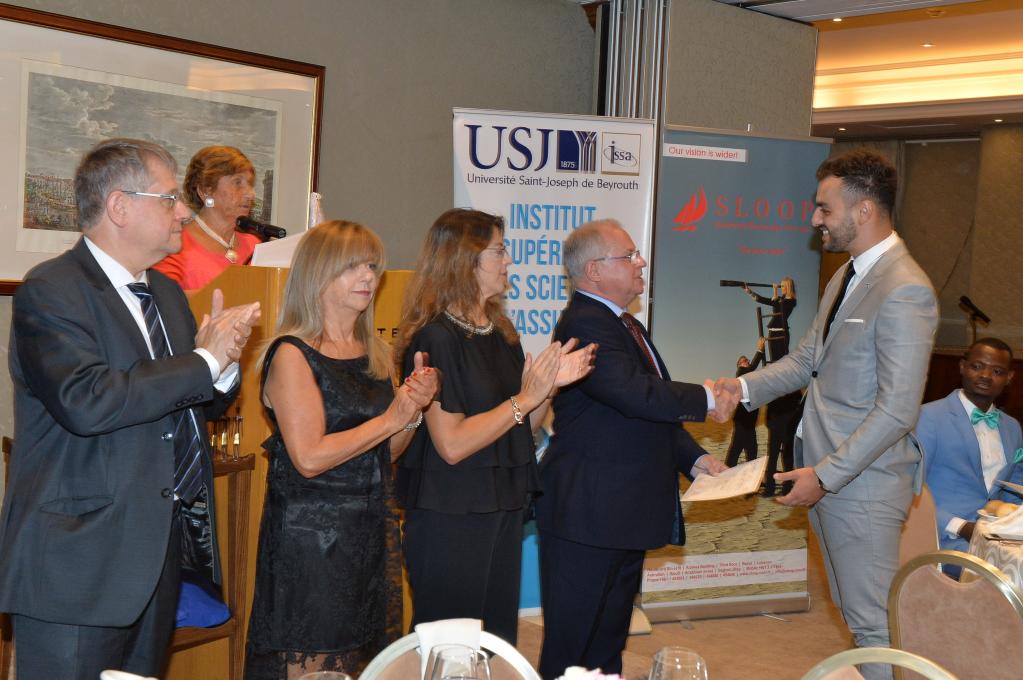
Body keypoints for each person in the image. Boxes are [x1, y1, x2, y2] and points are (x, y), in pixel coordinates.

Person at [0, 138, 261, 680]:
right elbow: (88, 401)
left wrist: (222, 365)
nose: (183, 211)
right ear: (119, 207)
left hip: (154, 563)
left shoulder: (165, 294)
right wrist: (202, 361)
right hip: (78, 564)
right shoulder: (51, 290)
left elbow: (188, 404)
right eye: (169, 199)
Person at [714, 149, 938, 680]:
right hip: (828, 473)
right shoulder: (846, 277)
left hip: (861, 484)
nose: (815, 219)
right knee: (857, 618)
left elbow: (897, 411)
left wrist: (826, 475)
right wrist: (739, 387)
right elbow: (808, 361)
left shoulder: (906, 288)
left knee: (875, 627)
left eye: (824, 208)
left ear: (864, 210)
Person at [244, 220, 439, 678]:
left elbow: (384, 455)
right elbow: (309, 458)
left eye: (372, 266)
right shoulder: (292, 353)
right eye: (352, 266)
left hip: (366, 536)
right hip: (311, 544)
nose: (368, 277)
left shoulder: (373, 351)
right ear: (318, 274)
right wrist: (391, 417)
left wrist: (412, 410)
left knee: (362, 666)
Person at [535, 219, 728, 680]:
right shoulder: (586, 322)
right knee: (571, 648)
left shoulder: (622, 324)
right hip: (587, 515)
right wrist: (708, 397)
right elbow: (633, 393)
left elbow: (645, 414)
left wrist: (695, 459)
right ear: (594, 271)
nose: (641, 262)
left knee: (607, 643)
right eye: (629, 255)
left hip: (618, 513)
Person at [393, 208, 595, 645]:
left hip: (501, 507)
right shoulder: (436, 338)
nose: (509, 261)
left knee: (496, 641)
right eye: (499, 251)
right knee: (450, 645)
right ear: (463, 260)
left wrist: (548, 389)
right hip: (451, 513)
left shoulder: (501, 332)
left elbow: (524, 428)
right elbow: (451, 444)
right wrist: (524, 398)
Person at [919, 338, 1023, 561]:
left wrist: (1013, 523)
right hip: (942, 536)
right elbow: (910, 488)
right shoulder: (928, 417)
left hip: (996, 536)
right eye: (977, 366)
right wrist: (960, 526)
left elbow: (1015, 487)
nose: (985, 375)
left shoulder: (1012, 427)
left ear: (1009, 378)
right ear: (962, 367)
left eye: (997, 371)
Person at [154, 145, 262, 291]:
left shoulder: (255, 245)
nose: (250, 194)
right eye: (238, 183)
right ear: (206, 191)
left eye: (250, 184)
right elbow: (165, 300)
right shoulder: (175, 244)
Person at [725, 336, 765, 467]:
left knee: (752, 451)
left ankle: (749, 475)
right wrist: (760, 350)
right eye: (745, 360)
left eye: (748, 360)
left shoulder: (748, 377)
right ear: (739, 365)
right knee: (736, 450)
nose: (747, 361)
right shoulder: (741, 372)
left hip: (749, 422)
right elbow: (751, 368)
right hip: (743, 421)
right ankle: (727, 473)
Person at [745, 276, 796, 361]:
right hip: (772, 332)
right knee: (773, 360)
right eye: (780, 286)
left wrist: (775, 292)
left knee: (782, 360)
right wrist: (750, 292)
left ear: (788, 287)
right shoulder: (779, 299)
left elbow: (780, 306)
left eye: (782, 286)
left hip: (782, 333)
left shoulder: (792, 301)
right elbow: (764, 300)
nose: (781, 288)